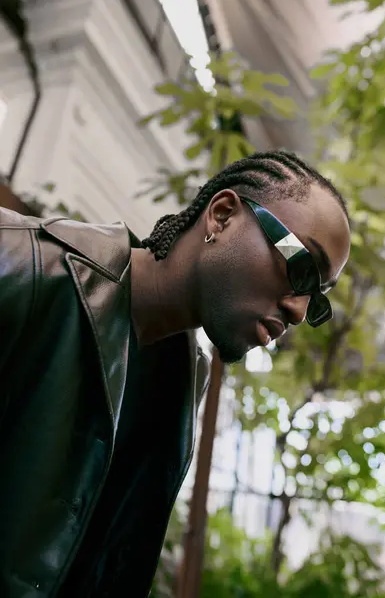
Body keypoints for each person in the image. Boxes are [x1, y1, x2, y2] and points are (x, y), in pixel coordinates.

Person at [0, 150, 350, 597]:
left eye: (317, 299)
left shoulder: (186, 380)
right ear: (222, 217)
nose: (299, 311)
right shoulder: (21, 264)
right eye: (301, 267)